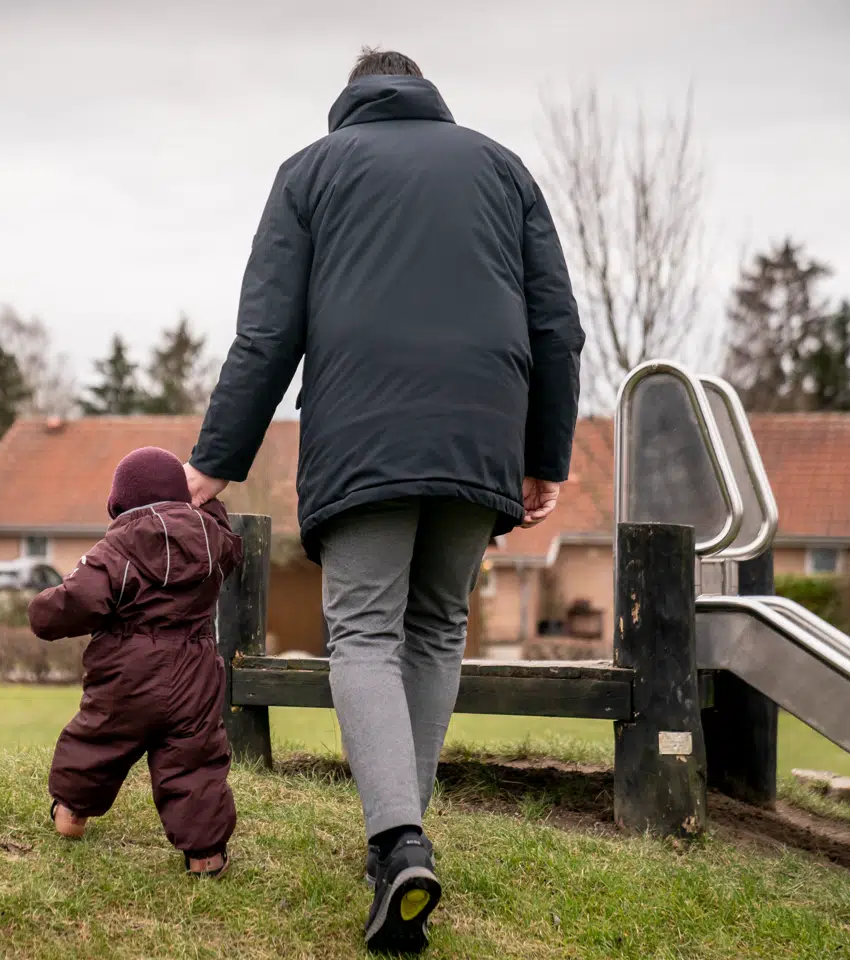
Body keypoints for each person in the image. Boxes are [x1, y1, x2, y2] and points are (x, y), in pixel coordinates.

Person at [184, 48, 584, 953]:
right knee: (438, 627)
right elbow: (557, 325)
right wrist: (544, 455)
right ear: (426, 93)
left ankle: (399, 843)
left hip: (364, 430)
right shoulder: (502, 168)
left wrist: (214, 461)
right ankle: (403, 844)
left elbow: (268, 332)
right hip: (483, 428)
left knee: (364, 632)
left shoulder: (311, 171)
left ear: (349, 100)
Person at [28, 446, 244, 878]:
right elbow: (230, 544)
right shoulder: (212, 540)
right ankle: (205, 856)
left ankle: (70, 815)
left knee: (97, 742)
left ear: (120, 503)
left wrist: (41, 612)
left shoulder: (117, 548)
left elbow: (77, 600)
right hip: (195, 674)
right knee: (194, 760)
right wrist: (207, 504)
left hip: (127, 674)